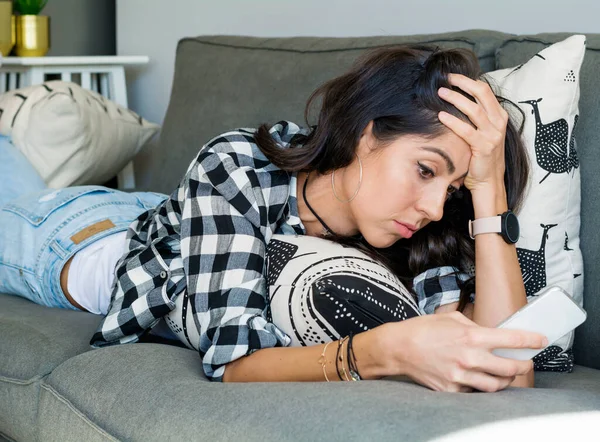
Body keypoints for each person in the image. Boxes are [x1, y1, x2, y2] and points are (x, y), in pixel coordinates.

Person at [0, 45, 548, 393]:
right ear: (366, 134)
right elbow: (235, 363)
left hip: (182, 211)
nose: (434, 208)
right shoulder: (238, 163)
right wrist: (380, 353)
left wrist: (487, 192)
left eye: (452, 189)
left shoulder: (423, 234)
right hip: (80, 239)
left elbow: (513, 368)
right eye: (426, 169)